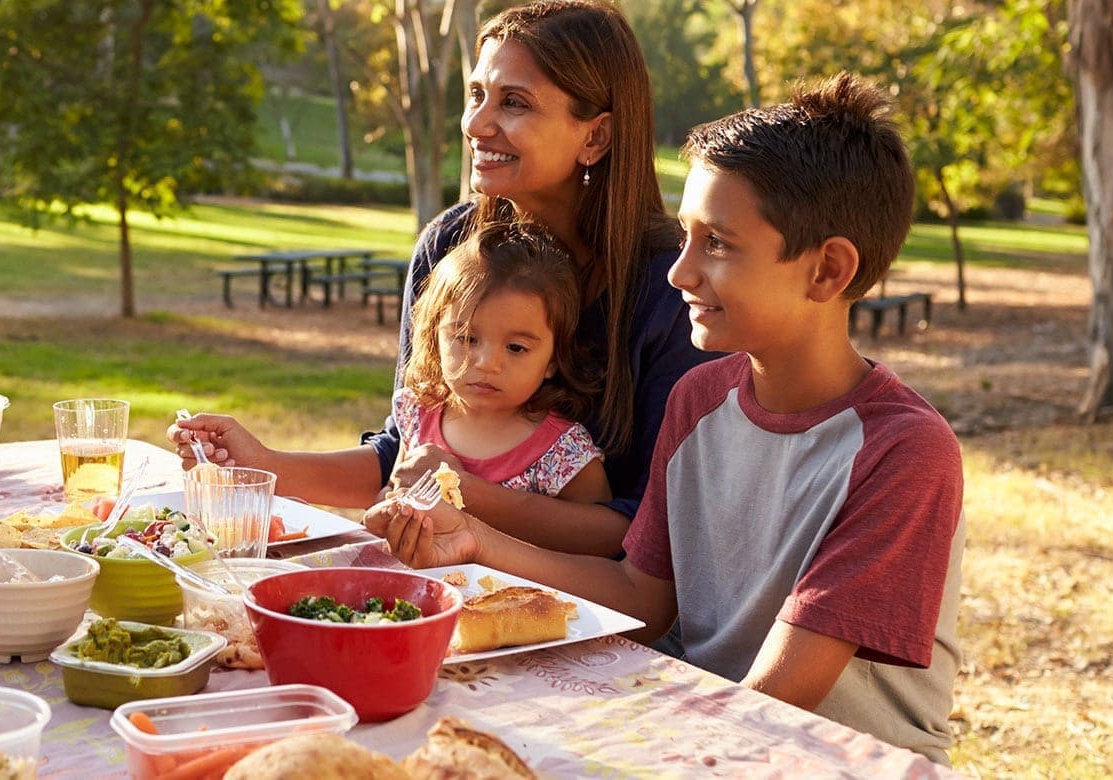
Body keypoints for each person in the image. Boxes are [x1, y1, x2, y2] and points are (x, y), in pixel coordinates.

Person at [376, 74, 965, 764]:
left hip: (833, 758)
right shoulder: (700, 398)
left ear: (827, 271)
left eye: (716, 243)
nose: (680, 273)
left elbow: (779, 698)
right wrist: (475, 539)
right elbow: (642, 597)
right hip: (715, 724)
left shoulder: (903, 451)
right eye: (685, 238)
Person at [171, 1, 714, 557]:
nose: (477, 124)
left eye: (515, 102)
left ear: (595, 137)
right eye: (476, 94)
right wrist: (264, 466)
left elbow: (647, 534)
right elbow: (404, 451)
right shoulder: (450, 247)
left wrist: (460, 493)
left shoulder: (673, 285)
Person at [389, 220, 609, 503]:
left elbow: (599, 539)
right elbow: (394, 491)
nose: (487, 363)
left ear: (554, 359)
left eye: (516, 348)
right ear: (435, 336)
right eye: (467, 339)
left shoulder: (563, 454)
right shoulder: (419, 414)